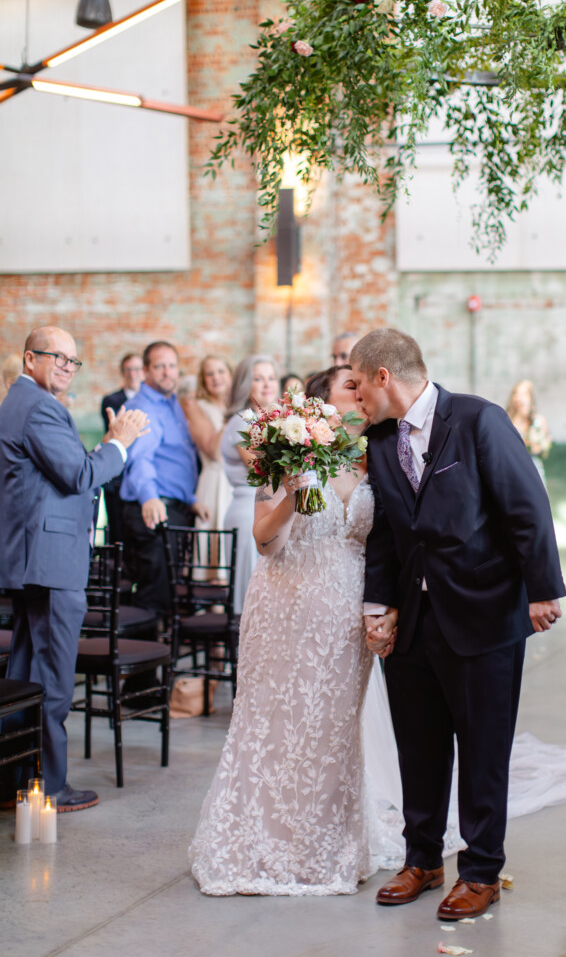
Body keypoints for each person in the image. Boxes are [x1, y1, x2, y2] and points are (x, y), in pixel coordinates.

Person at [350, 328, 565, 920]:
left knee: (483, 748)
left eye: (356, 380)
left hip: (484, 612)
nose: (354, 392)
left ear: (382, 377)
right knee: (417, 746)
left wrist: (543, 589)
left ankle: (481, 870)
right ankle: (422, 859)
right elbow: (387, 535)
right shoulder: (378, 441)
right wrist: (379, 607)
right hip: (415, 621)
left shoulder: (478, 421)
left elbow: (526, 506)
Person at [190, 365, 375, 895]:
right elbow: (266, 542)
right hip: (286, 607)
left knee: (334, 729)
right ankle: (261, 842)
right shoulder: (284, 450)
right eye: (350, 387)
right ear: (320, 403)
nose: (361, 393)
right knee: (273, 725)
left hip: (346, 615)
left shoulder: (375, 457)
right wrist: (296, 490)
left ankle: (326, 847)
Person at [0, 326, 148, 810]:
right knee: (54, 676)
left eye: (73, 360)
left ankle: (15, 779)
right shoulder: (40, 406)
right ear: (29, 359)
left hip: (35, 558)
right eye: (57, 357)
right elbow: (80, 474)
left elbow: (66, 473)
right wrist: (120, 444)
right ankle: (50, 785)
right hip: (51, 560)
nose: (66, 366)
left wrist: (106, 445)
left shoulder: (22, 403)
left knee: (25, 670)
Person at [120, 341, 209, 616]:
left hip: (175, 507)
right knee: (154, 594)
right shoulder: (142, 407)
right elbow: (139, 459)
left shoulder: (174, 405)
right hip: (153, 510)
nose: (167, 372)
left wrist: (191, 499)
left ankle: (163, 653)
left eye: (172, 366)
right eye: (159, 366)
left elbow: (175, 459)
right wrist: (150, 497)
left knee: (170, 591)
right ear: (145, 370)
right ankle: (144, 654)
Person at [220, 355, 279, 614]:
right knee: (251, 593)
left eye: (271, 377)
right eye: (258, 378)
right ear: (246, 384)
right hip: (248, 511)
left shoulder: (265, 421)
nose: (267, 384)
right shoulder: (244, 421)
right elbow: (261, 469)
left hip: (266, 509)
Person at [179, 356, 234, 578]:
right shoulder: (197, 407)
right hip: (215, 482)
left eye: (221, 371)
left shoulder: (244, 404)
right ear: (203, 380)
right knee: (215, 555)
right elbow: (214, 451)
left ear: (231, 375)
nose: (216, 378)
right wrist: (231, 417)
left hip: (240, 481)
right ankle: (215, 606)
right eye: (209, 374)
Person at [100, 353, 145, 543]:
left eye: (137, 369)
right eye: (129, 369)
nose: (133, 374)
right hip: (119, 470)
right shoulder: (112, 400)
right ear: (123, 373)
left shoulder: (149, 399)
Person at [506, 379, 552, 485]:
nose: (520, 398)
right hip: (512, 469)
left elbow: (544, 447)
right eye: (517, 394)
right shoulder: (506, 420)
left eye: (524, 394)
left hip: (533, 468)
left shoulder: (538, 421)